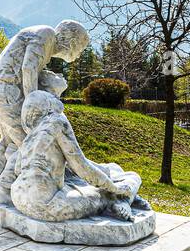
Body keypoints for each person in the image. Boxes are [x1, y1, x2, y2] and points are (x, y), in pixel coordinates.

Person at [0, 20, 90, 203]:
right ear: (72, 41)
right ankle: (5, 190)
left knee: (8, 140)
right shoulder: (47, 34)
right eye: (81, 47)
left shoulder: (43, 41)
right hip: (7, 92)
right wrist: (32, 106)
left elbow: (31, 69)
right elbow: (29, 68)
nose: (80, 54)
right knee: (27, 144)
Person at [9, 91, 143, 222]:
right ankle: (121, 201)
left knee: (90, 182)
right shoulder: (57, 122)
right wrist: (113, 187)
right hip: (47, 204)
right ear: (49, 105)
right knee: (120, 185)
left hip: (19, 198)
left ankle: (123, 199)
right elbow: (82, 167)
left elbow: (18, 170)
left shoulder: (29, 139)